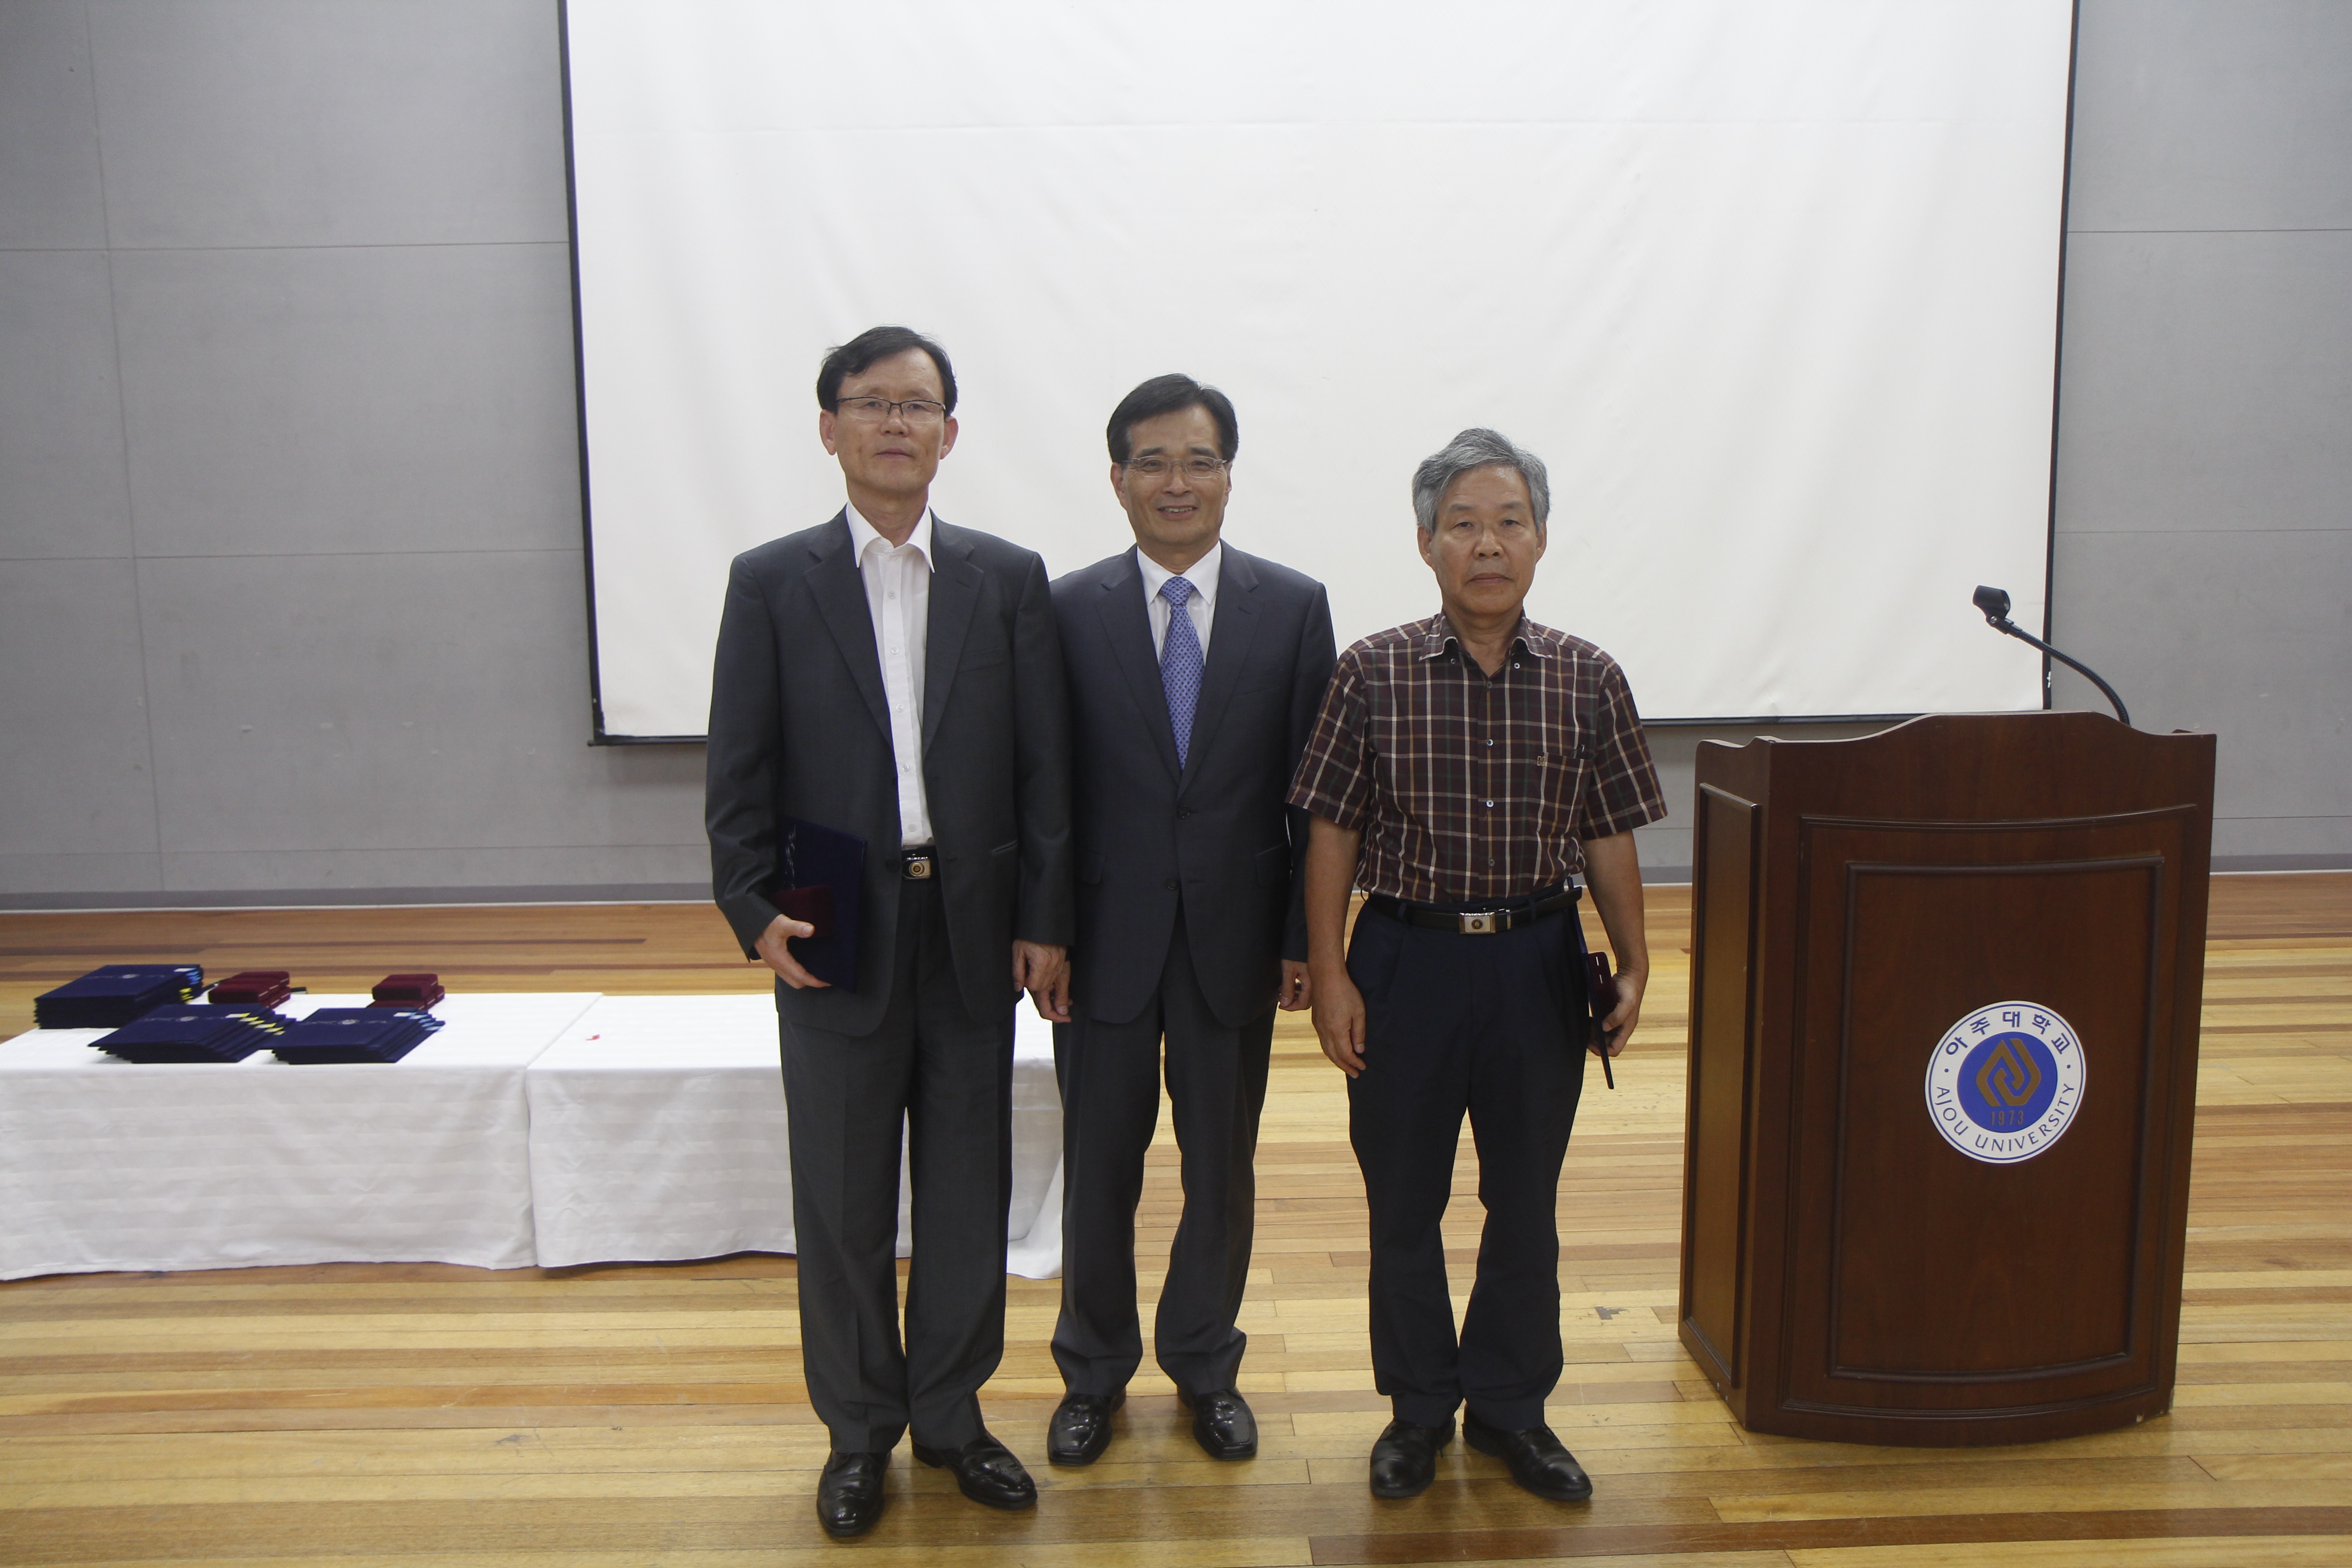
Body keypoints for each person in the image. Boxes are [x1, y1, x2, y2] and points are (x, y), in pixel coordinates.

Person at [704, 325, 1073, 1540]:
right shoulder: (773, 581)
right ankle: (860, 1431)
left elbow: (1043, 770)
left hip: (972, 928)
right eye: (872, 403)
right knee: (843, 1199)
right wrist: (751, 905)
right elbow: (738, 769)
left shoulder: (1006, 578)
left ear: (950, 433)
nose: (896, 424)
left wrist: (1044, 920)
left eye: (918, 405)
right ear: (831, 428)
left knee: (969, 1191)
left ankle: (953, 1420)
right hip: (834, 923)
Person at [1288, 427, 1664, 1503]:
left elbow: (1607, 832)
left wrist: (1637, 963)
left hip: (1537, 962)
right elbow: (1331, 831)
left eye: (1509, 522)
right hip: (1404, 960)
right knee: (1402, 1201)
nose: (1487, 544)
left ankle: (1511, 1410)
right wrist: (1332, 973)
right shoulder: (1371, 671)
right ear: (1426, 544)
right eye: (1463, 525)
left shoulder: (1589, 677)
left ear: (1541, 540)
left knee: (1525, 1201)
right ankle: (1416, 1410)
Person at [1044, 375, 1337, 1467]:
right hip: (1100, 945)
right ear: (1119, 479)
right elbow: (1045, 789)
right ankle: (1093, 1372)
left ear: (1228, 476)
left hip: (1236, 944)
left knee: (1220, 1170)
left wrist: (1304, 939)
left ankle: (1207, 1365)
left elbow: (1314, 796)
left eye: (1199, 461)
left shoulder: (1292, 606)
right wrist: (1045, 928)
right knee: (1100, 1170)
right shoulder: (1063, 608)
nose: (1178, 482)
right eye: (1154, 462)